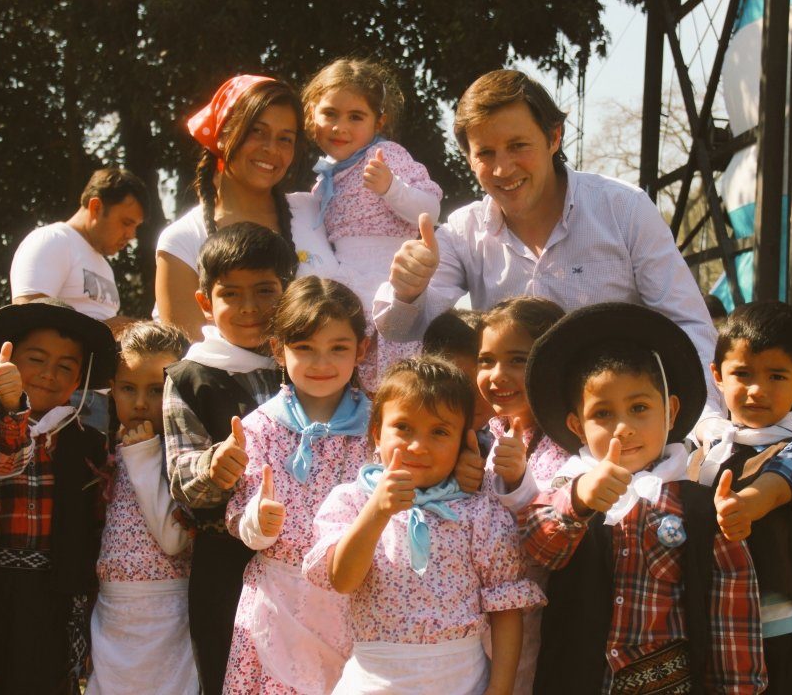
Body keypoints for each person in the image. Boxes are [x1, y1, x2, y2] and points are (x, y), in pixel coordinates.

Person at [373, 69, 722, 421]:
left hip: (618, 435)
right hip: (514, 446)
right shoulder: (464, 230)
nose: (503, 168)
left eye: (518, 146)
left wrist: (703, 425)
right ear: (468, 158)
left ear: (554, 137)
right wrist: (408, 291)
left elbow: (688, 325)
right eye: (486, 153)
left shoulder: (624, 209)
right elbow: (399, 329)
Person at [520, 302, 766, 693]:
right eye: (602, 413)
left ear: (670, 410)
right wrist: (581, 499)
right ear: (576, 426)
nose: (624, 428)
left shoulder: (699, 507)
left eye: (639, 408)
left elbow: (732, 611)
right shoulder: (567, 487)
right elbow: (537, 547)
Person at [302, 356, 545, 694]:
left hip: (462, 682)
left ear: (463, 441)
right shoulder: (351, 501)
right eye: (403, 427)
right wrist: (378, 511)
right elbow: (342, 579)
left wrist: (500, 690)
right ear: (376, 432)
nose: (418, 445)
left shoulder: (479, 509)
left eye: (440, 432)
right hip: (374, 681)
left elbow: (506, 609)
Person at [162, 223, 296, 695]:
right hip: (225, 564)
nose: (250, 308)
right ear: (205, 303)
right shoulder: (189, 377)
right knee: (226, 676)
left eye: (266, 291)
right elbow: (181, 476)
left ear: (289, 292)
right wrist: (212, 467)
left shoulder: (305, 364)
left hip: (300, 560)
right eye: (231, 294)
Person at [222, 276, 371, 694]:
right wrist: (258, 523)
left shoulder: (379, 429)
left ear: (362, 349)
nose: (321, 362)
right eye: (304, 348)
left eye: (338, 348)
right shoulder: (259, 428)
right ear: (277, 349)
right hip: (277, 602)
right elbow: (240, 516)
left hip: (354, 601)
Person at [0, 299, 117, 694]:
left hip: (55, 597)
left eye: (66, 366)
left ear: (80, 377)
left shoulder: (90, 443)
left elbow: (98, 525)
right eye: (36, 359)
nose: (50, 374)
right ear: (8, 361)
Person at [698, 300, 792, 694]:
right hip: (700, 616)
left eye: (776, 376)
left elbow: (773, 487)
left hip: (766, 628)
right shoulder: (703, 444)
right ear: (718, 376)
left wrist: (743, 505)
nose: (757, 390)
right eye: (742, 374)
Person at [155, 74, 339, 341]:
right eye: (257, 132)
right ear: (223, 135)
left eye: (285, 139)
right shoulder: (182, 240)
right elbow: (187, 357)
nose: (271, 149)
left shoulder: (316, 211)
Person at [302, 58, 442, 389]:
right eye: (330, 114)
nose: (341, 127)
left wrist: (392, 187)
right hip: (347, 290)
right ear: (312, 115)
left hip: (389, 283)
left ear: (379, 121)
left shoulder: (385, 155)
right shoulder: (324, 181)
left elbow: (430, 210)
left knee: (394, 380)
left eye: (356, 116)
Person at [86, 321, 196, 695]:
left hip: (169, 613)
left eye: (156, 389)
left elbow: (172, 538)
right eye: (128, 388)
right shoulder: (103, 451)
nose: (139, 403)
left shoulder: (183, 453)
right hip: (112, 614)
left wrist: (145, 455)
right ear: (112, 389)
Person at [474, 297, 567, 695]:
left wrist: (518, 483)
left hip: (538, 625)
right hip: (478, 622)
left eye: (517, 359)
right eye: (486, 360)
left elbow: (554, 534)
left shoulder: (571, 446)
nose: (498, 375)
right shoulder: (489, 434)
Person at [10, 167, 148, 330]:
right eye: (126, 223)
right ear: (96, 207)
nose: (131, 235)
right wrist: (111, 330)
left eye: (136, 227)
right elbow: (28, 320)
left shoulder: (104, 266)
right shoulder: (53, 240)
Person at [421, 309, 493, 458]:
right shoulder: (410, 438)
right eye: (460, 387)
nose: (472, 401)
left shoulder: (510, 437)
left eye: (484, 385)